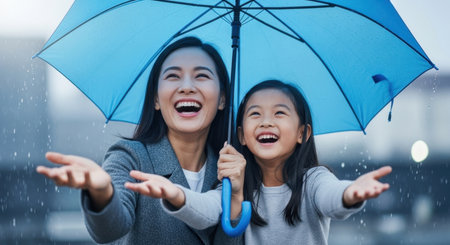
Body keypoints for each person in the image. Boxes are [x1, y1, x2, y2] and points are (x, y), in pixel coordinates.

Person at [129, 80, 392, 245]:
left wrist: (350, 194)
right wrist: (176, 194)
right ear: (241, 134)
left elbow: (331, 197)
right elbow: (206, 210)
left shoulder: (313, 181)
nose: (266, 121)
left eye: (280, 113)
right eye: (255, 114)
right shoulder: (236, 186)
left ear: (303, 133)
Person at [36, 36, 242, 244]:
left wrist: (236, 197)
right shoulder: (130, 157)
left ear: (222, 99)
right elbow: (110, 229)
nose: (187, 87)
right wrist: (102, 192)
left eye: (201, 76)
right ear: (155, 100)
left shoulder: (231, 171)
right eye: (173, 76)